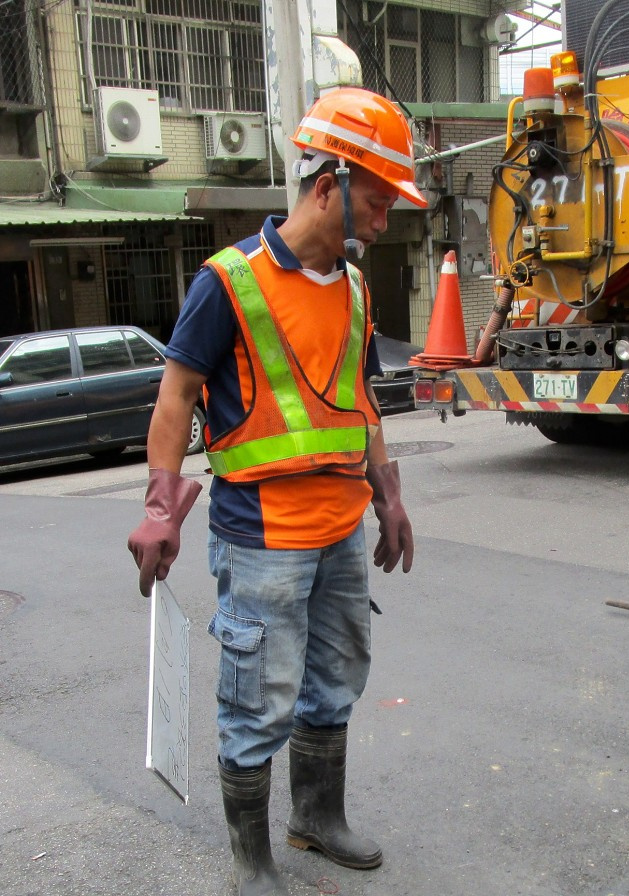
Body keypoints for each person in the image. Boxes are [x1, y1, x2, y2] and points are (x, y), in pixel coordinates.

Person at [127, 87, 425, 895]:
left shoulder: (357, 291)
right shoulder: (230, 282)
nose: (385, 218)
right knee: (258, 694)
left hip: (338, 531)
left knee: (337, 674)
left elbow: (359, 404)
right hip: (260, 532)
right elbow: (176, 395)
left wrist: (386, 494)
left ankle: (316, 818)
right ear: (327, 183)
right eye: (378, 198)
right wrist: (161, 506)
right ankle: (250, 860)